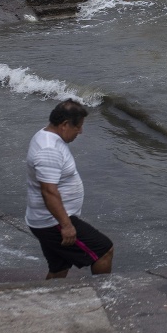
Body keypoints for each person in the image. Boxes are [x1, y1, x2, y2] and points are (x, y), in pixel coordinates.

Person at [25, 99, 114, 280]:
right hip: (53, 222)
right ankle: (103, 294)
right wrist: (66, 225)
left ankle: (50, 299)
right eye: (78, 127)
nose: (80, 132)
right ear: (65, 124)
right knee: (104, 250)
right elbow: (48, 191)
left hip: (45, 219)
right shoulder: (49, 150)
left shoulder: (45, 136)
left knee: (59, 268)